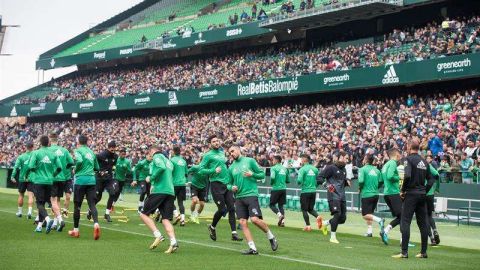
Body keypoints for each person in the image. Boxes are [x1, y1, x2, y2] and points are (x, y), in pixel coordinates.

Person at [227, 146, 278, 255]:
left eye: (232, 151)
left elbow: (262, 174)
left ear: (238, 150)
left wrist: (252, 174)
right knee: (242, 222)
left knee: (254, 220)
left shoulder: (250, 161)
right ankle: (252, 248)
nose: (231, 153)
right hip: (239, 197)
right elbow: (228, 184)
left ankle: (271, 236)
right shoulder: (231, 168)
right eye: (229, 152)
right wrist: (231, 188)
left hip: (251, 194)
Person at [392, 138, 435, 259]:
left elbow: (408, 175)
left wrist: (403, 190)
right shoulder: (424, 162)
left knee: (405, 221)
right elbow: (432, 178)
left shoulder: (407, 160)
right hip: (422, 195)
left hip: (411, 194)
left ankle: (404, 252)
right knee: (423, 224)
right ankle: (423, 252)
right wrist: (425, 190)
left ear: (409, 147)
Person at [199, 135, 242, 242]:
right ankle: (212, 227)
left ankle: (234, 233)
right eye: (214, 141)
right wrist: (213, 170)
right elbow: (201, 170)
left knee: (232, 208)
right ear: (210, 143)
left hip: (226, 184)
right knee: (222, 210)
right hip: (216, 184)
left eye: (217, 141)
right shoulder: (208, 155)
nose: (216, 143)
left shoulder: (222, 153)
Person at [139, 146, 178, 253]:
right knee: (165, 219)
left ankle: (158, 235)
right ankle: (173, 242)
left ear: (152, 151)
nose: (150, 156)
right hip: (170, 191)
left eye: (150, 153)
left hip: (160, 190)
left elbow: (161, 168)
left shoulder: (157, 156)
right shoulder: (169, 161)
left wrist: (150, 178)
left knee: (143, 214)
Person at [27, 135, 62, 233]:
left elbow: (30, 166)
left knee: (39, 203)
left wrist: (36, 171)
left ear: (40, 143)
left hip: (39, 181)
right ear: (49, 143)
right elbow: (59, 168)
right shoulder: (53, 154)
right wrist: (53, 175)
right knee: (46, 202)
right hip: (50, 182)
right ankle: (39, 226)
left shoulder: (36, 153)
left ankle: (47, 219)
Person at [68, 135, 101, 240]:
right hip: (91, 180)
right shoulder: (91, 152)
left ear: (78, 141)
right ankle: (96, 224)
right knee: (92, 204)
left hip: (80, 180)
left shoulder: (78, 151)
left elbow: (80, 161)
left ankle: (76, 231)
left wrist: (75, 170)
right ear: (87, 142)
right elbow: (97, 168)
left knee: (77, 206)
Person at [318, 151, 349, 244]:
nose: (346, 160)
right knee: (337, 214)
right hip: (333, 195)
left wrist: (347, 182)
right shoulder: (331, 168)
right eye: (345, 158)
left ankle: (325, 223)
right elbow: (319, 177)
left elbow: (341, 183)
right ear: (338, 158)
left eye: (347, 158)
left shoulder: (344, 170)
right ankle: (332, 237)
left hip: (342, 196)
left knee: (343, 219)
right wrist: (326, 185)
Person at [48, 132, 74, 232]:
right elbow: (71, 162)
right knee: (58, 200)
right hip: (63, 178)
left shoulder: (48, 150)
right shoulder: (64, 150)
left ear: (50, 139)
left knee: (53, 201)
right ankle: (55, 222)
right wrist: (65, 168)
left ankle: (59, 220)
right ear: (58, 140)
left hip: (52, 178)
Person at [380, 148, 402, 245]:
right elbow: (390, 176)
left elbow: (382, 179)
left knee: (400, 217)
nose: (400, 155)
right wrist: (399, 177)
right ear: (396, 154)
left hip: (387, 193)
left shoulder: (385, 165)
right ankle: (386, 231)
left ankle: (387, 231)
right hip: (393, 193)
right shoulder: (393, 163)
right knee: (403, 216)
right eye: (399, 153)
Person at [358, 154, 384, 237]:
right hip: (376, 194)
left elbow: (361, 181)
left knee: (365, 215)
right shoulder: (377, 171)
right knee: (370, 214)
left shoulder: (362, 169)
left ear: (365, 160)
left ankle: (380, 220)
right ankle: (369, 232)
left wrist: (360, 188)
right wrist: (376, 187)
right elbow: (381, 181)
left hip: (367, 194)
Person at [93, 141, 118, 222]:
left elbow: (113, 165)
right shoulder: (101, 155)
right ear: (108, 147)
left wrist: (112, 170)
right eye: (111, 147)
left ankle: (107, 214)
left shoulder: (115, 156)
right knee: (98, 197)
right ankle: (91, 209)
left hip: (109, 178)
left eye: (114, 147)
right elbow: (94, 161)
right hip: (100, 178)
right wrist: (99, 170)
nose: (113, 149)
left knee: (112, 193)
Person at [297, 154, 321, 231]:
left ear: (304, 159)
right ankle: (318, 217)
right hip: (313, 191)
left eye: (301, 159)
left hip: (305, 191)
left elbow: (299, 181)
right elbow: (318, 180)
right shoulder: (315, 169)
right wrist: (314, 186)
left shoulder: (302, 169)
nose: (301, 160)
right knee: (310, 209)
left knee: (304, 210)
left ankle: (308, 226)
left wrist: (299, 182)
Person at [11, 141, 35, 219]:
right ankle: (29, 212)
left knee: (21, 195)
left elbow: (16, 167)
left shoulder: (21, 157)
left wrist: (12, 176)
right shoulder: (35, 155)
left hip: (22, 178)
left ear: (26, 147)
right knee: (31, 196)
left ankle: (20, 212)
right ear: (32, 147)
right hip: (31, 179)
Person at [269, 155, 290, 227]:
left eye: (273, 160)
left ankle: (280, 215)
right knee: (281, 206)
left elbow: (272, 177)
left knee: (271, 205)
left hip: (276, 189)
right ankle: (283, 222)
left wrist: (272, 182)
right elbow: (288, 180)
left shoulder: (274, 168)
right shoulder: (285, 169)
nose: (272, 161)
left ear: (276, 160)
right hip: (283, 189)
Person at [170, 146, 188, 226]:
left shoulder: (171, 160)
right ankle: (183, 220)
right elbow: (186, 173)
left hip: (174, 184)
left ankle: (177, 215)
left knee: (170, 201)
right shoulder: (184, 161)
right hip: (182, 184)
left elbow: (169, 172)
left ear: (173, 152)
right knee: (180, 202)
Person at [426, 155, 441, 246]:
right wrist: (437, 188)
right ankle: (435, 230)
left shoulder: (415, 165)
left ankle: (432, 239)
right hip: (430, 194)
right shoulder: (428, 165)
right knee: (429, 216)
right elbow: (437, 174)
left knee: (423, 218)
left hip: (421, 193)